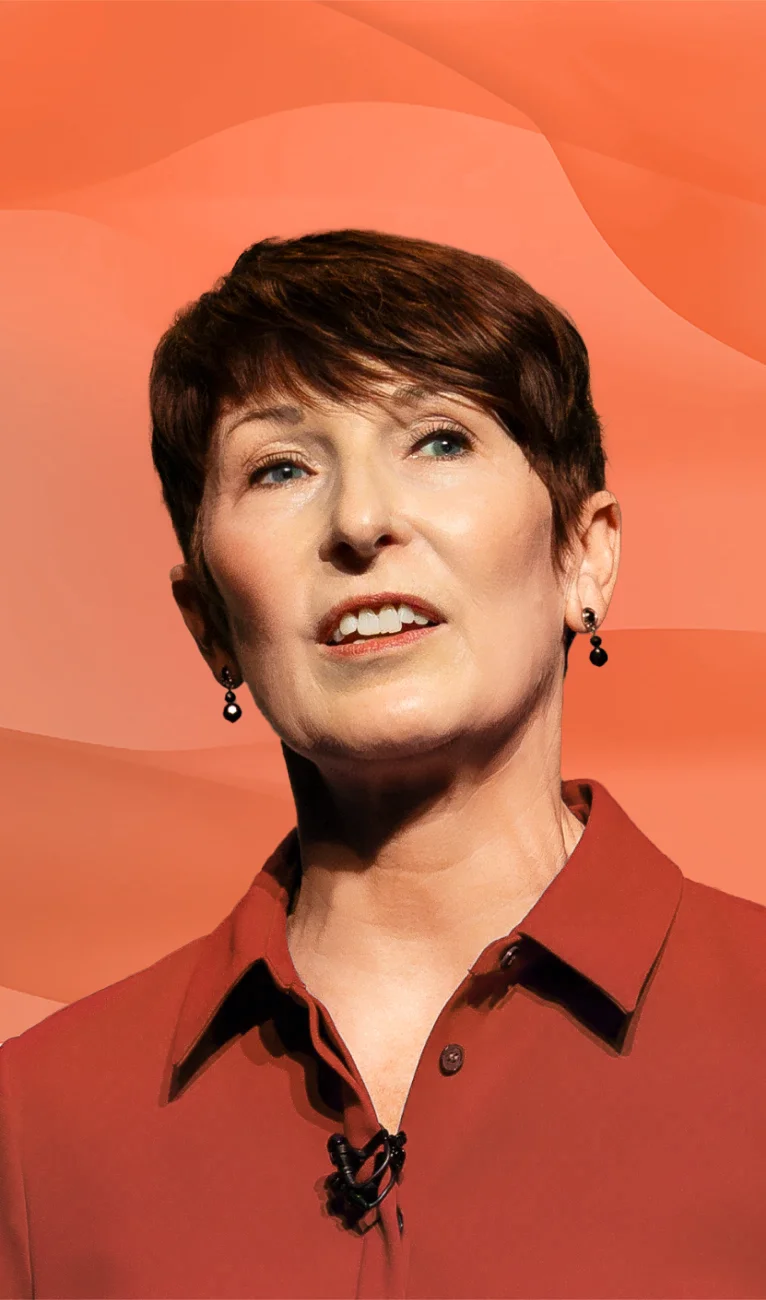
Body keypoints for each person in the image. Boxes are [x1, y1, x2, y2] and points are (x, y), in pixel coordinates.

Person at [1, 229, 764, 1300]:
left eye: (438, 441)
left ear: (581, 554)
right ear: (210, 622)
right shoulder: (37, 1123)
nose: (359, 521)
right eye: (280, 467)